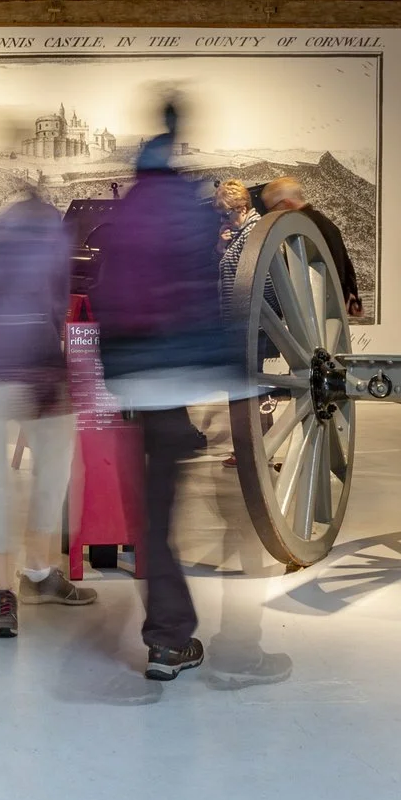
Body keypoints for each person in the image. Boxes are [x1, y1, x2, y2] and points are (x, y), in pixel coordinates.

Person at [90, 104, 233, 681]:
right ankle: (169, 639)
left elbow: (107, 293)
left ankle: (167, 634)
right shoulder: (191, 211)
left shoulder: (123, 217)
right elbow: (206, 287)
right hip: (177, 372)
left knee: (153, 510)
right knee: (161, 511)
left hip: (135, 378)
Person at [0, 183, 95, 638]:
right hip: (30, 373)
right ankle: (23, 581)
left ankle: (22, 582)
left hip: (7, 373)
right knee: (44, 476)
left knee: (7, 484)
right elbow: (53, 307)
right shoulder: (48, 253)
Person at [259, 175, 363, 320]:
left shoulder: (303, 231)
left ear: (286, 203)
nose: (271, 214)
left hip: (316, 314)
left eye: (272, 208)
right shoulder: (325, 224)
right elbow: (346, 266)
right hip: (328, 313)